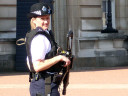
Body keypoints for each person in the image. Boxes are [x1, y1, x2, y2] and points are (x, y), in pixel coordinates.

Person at [26, 2, 71, 96]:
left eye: (47, 18)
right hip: (44, 86)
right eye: (42, 18)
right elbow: (37, 66)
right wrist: (59, 58)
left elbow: (30, 62)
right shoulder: (39, 38)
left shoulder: (44, 35)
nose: (46, 21)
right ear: (34, 20)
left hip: (46, 85)